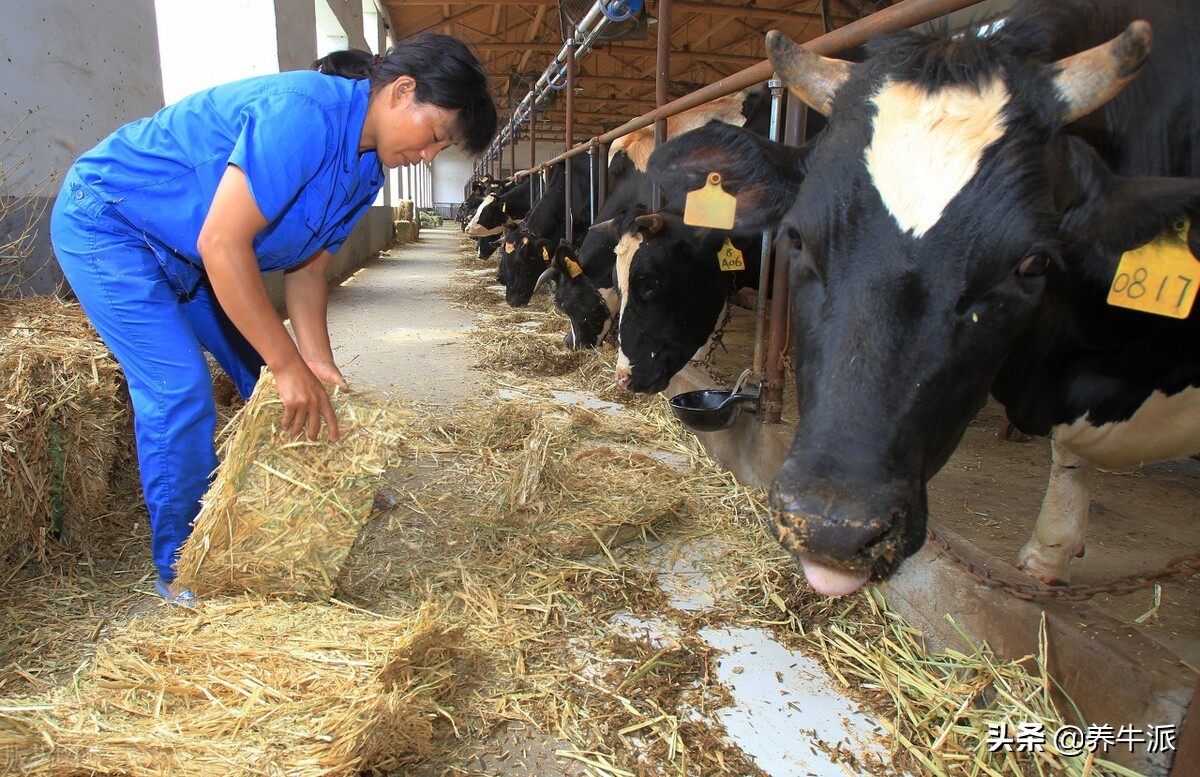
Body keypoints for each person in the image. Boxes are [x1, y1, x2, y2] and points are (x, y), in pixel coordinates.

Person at [50, 32, 497, 604]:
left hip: (189, 252)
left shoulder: (367, 170)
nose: (429, 156)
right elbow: (222, 242)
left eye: (442, 149)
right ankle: (182, 562)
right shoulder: (303, 114)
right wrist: (288, 366)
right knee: (178, 387)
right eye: (434, 136)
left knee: (272, 378)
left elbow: (308, 270)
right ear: (402, 91)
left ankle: (313, 491)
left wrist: (316, 365)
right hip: (114, 224)